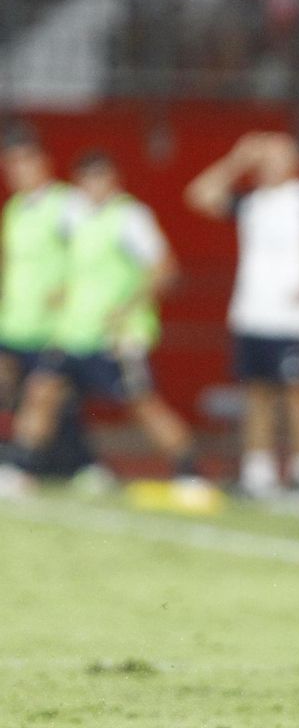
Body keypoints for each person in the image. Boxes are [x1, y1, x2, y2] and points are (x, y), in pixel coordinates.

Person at [0, 152, 207, 499]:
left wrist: (127, 308)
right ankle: (22, 469)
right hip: (73, 333)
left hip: (116, 338)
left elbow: (165, 271)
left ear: (114, 181)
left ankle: (190, 474)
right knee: (40, 392)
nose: (93, 187)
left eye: (100, 179)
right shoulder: (74, 216)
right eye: (86, 180)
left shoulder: (130, 218)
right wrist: (62, 291)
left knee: (143, 406)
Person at [185, 131, 299, 503]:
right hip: (252, 313)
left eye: (277, 157)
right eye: (264, 158)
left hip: (291, 318)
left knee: (297, 394)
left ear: (293, 162)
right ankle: (258, 474)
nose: (269, 164)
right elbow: (199, 195)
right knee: (257, 394)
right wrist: (237, 160)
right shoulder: (252, 202)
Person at [0, 125, 96, 477]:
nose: (16, 172)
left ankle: (23, 467)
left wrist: (70, 290)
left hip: (56, 326)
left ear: (43, 162)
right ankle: (79, 464)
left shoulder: (67, 205)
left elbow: (92, 253)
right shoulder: (15, 208)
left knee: (44, 394)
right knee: (23, 394)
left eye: (23, 162)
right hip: (14, 323)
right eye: (10, 165)